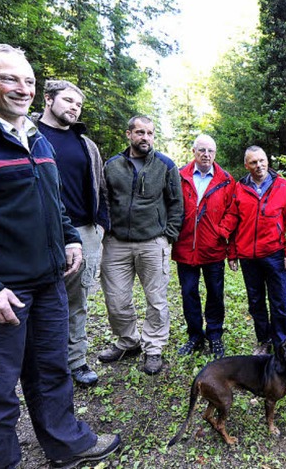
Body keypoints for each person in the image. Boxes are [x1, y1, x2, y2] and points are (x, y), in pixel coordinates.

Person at [0, 43, 119, 469]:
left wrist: (70, 236)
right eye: (9, 78)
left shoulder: (37, 138)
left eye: (29, 81)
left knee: (52, 373)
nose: (23, 89)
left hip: (48, 284)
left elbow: (53, 202)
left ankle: (67, 443)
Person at [36, 79, 108, 387]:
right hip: (38, 231)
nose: (74, 108)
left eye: (78, 105)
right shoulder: (27, 134)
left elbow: (101, 186)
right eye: (68, 101)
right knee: (39, 298)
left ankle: (76, 361)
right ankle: (41, 364)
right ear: (48, 99)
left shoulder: (85, 144)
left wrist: (101, 224)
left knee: (77, 300)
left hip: (84, 231)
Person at [99, 115, 183, 376]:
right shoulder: (112, 166)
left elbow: (176, 203)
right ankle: (128, 341)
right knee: (116, 300)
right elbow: (103, 199)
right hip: (117, 243)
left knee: (156, 300)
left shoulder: (165, 165)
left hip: (152, 243)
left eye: (149, 133)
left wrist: (167, 235)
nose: (145, 137)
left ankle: (154, 347)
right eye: (139, 132)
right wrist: (107, 230)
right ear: (129, 134)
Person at [172, 134, 236, 359]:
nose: (206, 155)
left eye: (210, 151)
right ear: (194, 152)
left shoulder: (226, 180)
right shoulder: (179, 176)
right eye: (202, 150)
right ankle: (195, 336)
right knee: (189, 293)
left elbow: (233, 211)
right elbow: (170, 205)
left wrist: (221, 232)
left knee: (215, 293)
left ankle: (215, 335)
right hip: (185, 247)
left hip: (213, 248)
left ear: (215, 153)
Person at [228, 146, 286, 355]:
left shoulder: (283, 186)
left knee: (279, 302)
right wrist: (232, 253)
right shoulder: (239, 188)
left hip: (275, 254)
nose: (259, 165)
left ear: (267, 161)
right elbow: (233, 221)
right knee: (256, 302)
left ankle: (281, 343)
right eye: (253, 162)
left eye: (262, 160)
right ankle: (264, 341)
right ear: (246, 165)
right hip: (248, 257)